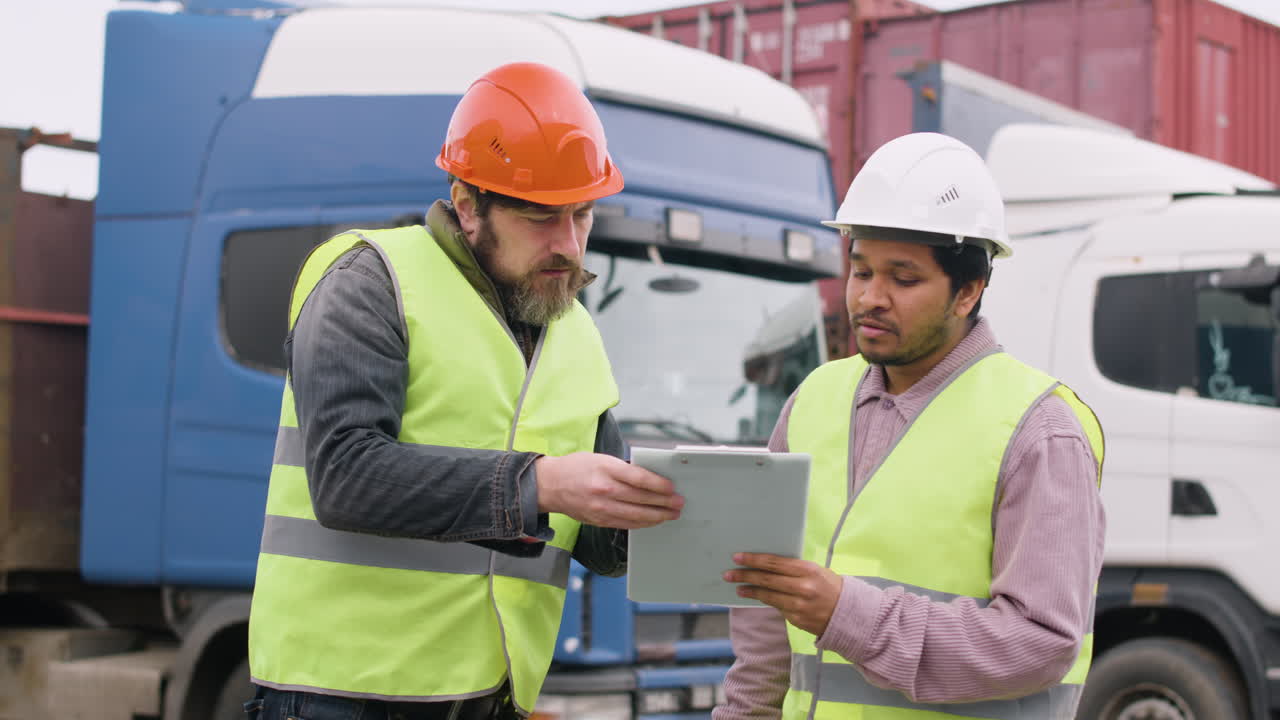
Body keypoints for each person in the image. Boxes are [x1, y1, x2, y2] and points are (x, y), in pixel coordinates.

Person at [245, 62, 684, 720]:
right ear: (469, 203)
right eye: (541, 218)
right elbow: (344, 475)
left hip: (489, 697)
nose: (568, 245)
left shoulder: (575, 331)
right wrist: (544, 484)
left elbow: (599, 539)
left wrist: (689, 513)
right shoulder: (373, 278)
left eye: (583, 216)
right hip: (339, 694)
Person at [714, 132, 1106, 720]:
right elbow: (767, 615)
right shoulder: (815, 400)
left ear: (967, 291)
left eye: (903, 278)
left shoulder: (1038, 430)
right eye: (861, 269)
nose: (870, 297)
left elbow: (1041, 642)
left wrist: (848, 615)